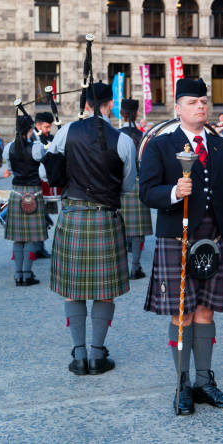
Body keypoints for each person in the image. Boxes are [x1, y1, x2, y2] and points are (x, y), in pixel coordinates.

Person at [139, 77, 223, 416]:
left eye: (204, 101)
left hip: (215, 239)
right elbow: (147, 191)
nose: (201, 106)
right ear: (178, 109)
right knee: (181, 311)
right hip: (177, 237)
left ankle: (203, 381)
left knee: (206, 310)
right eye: (193, 102)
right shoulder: (160, 145)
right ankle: (182, 383)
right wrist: (173, 193)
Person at [48, 82, 136, 376]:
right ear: (109, 104)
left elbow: (44, 171)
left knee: (73, 288)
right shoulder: (123, 140)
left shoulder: (66, 133)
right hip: (105, 217)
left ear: (85, 105)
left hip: (72, 216)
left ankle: (79, 355)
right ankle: (98, 355)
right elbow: (127, 185)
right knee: (104, 289)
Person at [3, 114, 47, 286]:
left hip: (16, 193)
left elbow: (10, 170)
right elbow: (43, 174)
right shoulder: (36, 148)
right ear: (30, 130)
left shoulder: (9, 148)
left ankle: (18, 275)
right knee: (30, 237)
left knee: (18, 238)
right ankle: (27, 275)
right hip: (33, 194)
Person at [119, 98, 153, 280]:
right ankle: (135, 267)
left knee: (122, 227)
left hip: (121, 184)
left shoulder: (116, 134)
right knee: (138, 229)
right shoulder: (143, 136)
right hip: (139, 183)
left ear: (121, 114)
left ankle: (123, 267)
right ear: (137, 113)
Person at [34, 111, 55, 257]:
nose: (48, 130)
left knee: (43, 216)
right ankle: (35, 247)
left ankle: (40, 246)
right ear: (38, 125)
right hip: (35, 183)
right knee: (36, 217)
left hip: (46, 183)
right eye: (46, 127)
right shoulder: (31, 139)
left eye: (50, 127)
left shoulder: (50, 138)